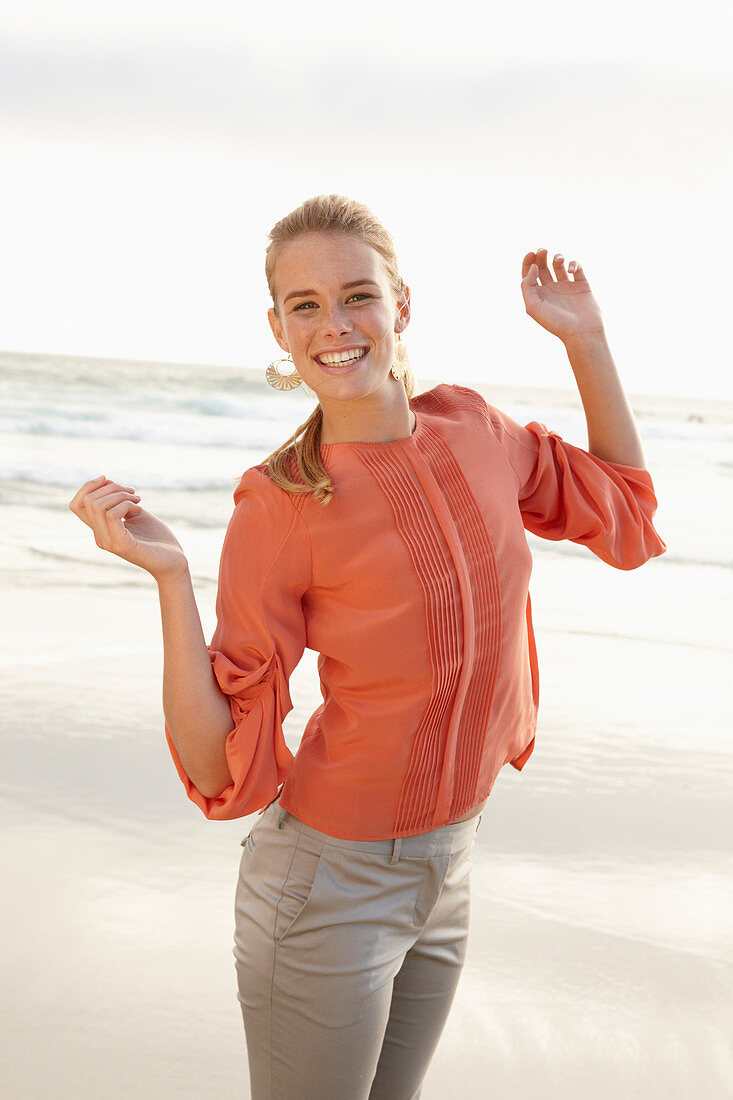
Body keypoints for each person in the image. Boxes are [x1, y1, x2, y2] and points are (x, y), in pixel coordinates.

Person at [69, 194, 666, 1100]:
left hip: (450, 866)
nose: (335, 325)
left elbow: (620, 513)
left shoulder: (477, 428)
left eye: (357, 295)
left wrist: (585, 340)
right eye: (304, 306)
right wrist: (169, 580)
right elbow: (219, 760)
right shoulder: (278, 503)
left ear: (402, 305)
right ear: (278, 327)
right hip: (326, 887)